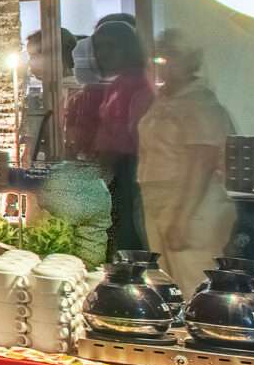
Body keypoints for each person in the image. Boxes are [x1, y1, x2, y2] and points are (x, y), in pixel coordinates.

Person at [136, 32, 237, 296]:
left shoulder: (201, 102)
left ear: (193, 60)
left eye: (174, 54)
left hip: (192, 202)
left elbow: (203, 163)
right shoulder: (165, 98)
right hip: (161, 199)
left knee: (194, 279)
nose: (165, 61)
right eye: (161, 54)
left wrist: (183, 217)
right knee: (170, 283)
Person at [65, 15, 153, 251]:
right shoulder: (118, 83)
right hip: (115, 169)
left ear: (128, 48)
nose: (103, 53)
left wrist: (99, 169)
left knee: (124, 239)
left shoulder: (136, 86)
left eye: (111, 46)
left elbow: (128, 138)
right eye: (99, 47)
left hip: (128, 171)